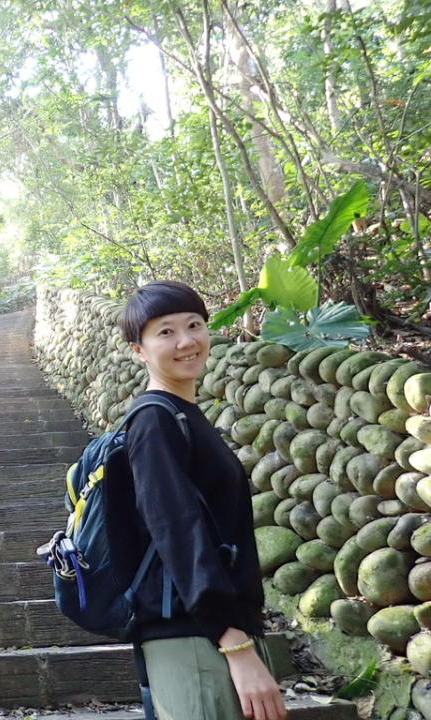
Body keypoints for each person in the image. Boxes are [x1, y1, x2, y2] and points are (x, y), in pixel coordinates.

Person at [118, 280, 286, 720]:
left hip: (214, 633)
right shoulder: (155, 420)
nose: (187, 341)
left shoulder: (185, 416)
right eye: (166, 332)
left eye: (194, 325)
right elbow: (176, 528)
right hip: (195, 637)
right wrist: (235, 641)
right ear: (139, 350)